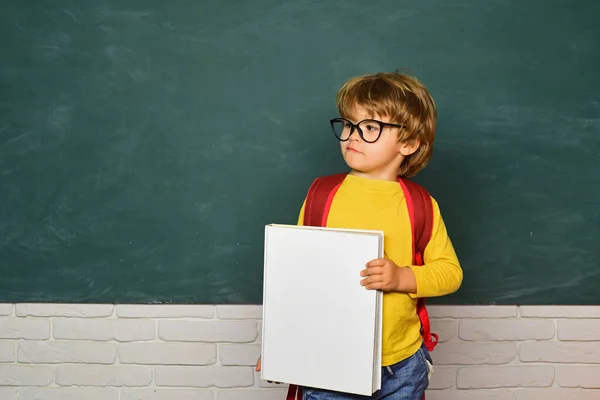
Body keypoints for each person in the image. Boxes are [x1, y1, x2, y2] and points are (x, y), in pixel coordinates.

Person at [257, 71, 463, 399]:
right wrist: (282, 346)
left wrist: (402, 277)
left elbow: (450, 274)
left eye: (370, 128)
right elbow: (296, 279)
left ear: (409, 143)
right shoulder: (322, 195)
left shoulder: (421, 205)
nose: (353, 135)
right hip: (329, 363)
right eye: (349, 125)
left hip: (402, 365)